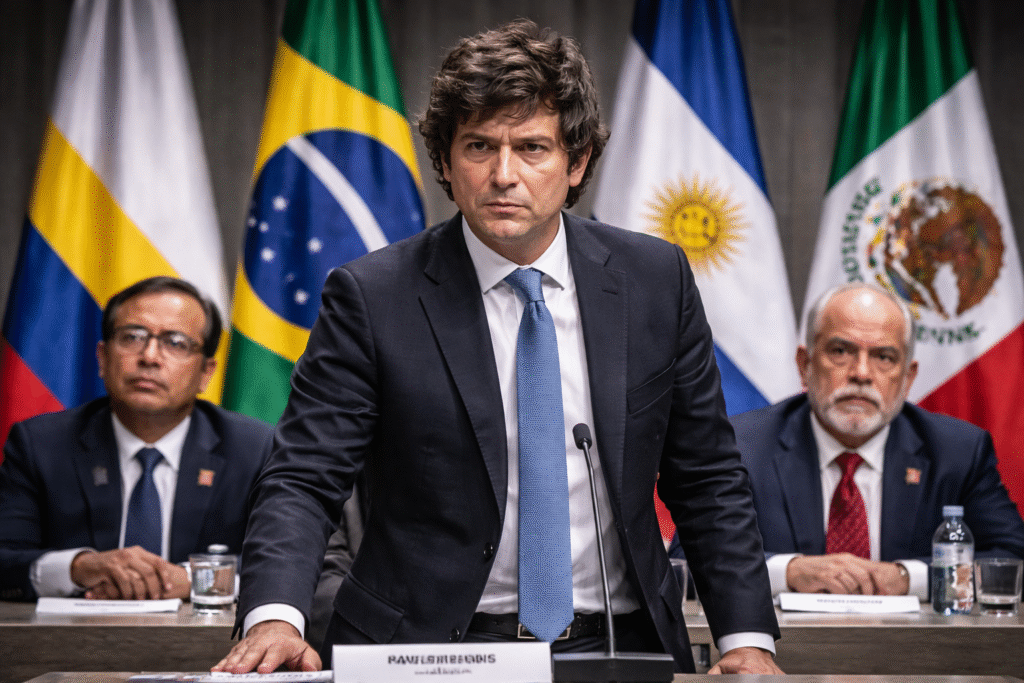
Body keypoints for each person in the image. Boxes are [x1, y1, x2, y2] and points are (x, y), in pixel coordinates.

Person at [214, 20, 780, 675]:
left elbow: (707, 477)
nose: (503, 174)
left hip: (621, 646)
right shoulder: (373, 296)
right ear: (446, 164)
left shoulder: (656, 280)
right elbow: (303, 479)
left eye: (532, 147)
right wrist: (277, 616)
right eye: (479, 146)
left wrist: (746, 640)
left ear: (577, 162)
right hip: (430, 652)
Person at [706, 282, 1024, 598]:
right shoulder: (743, 446)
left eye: (883, 357)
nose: (861, 373)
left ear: (907, 378)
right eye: (841, 351)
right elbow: (690, 558)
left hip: (918, 648)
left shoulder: (957, 452)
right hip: (786, 646)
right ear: (805, 366)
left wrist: (908, 578)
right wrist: (788, 572)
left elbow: (1013, 561)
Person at [0, 276, 273, 602]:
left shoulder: (254, 449)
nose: (150, 356)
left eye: (176, 342)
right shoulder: (41, 445)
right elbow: (5, 559)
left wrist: (193, 579)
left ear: (206, 373)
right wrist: (80, 567)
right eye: (132, 337)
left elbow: (289, 562)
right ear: (102, 358)